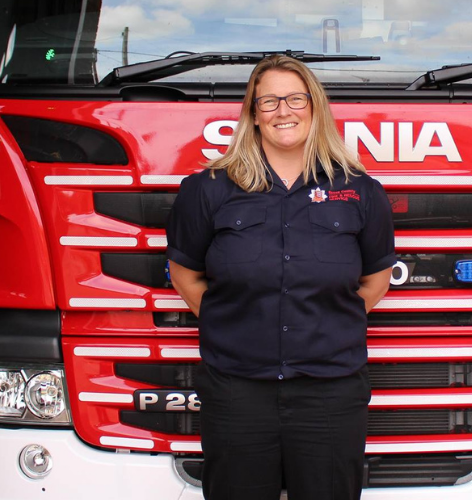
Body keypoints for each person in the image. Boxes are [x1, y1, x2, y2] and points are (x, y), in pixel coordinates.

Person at [166, 55, 396, 500]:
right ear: (253, 115)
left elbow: (376, 281)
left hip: (330, 394)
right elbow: (185, 274)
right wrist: (239, 322)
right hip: (237, 392)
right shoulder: (209, 188)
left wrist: (320, 320)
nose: (283, 111)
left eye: (294, 98)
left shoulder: (361, 191)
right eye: (268, 101)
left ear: (315, 107)